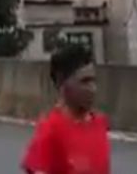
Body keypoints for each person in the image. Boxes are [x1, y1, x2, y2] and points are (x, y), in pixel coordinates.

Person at [21, 43, 110, 174]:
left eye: (93, 81)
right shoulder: (51, 129)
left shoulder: (100, 123)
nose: (93, 89)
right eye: (84, 81)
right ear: (61, 82)